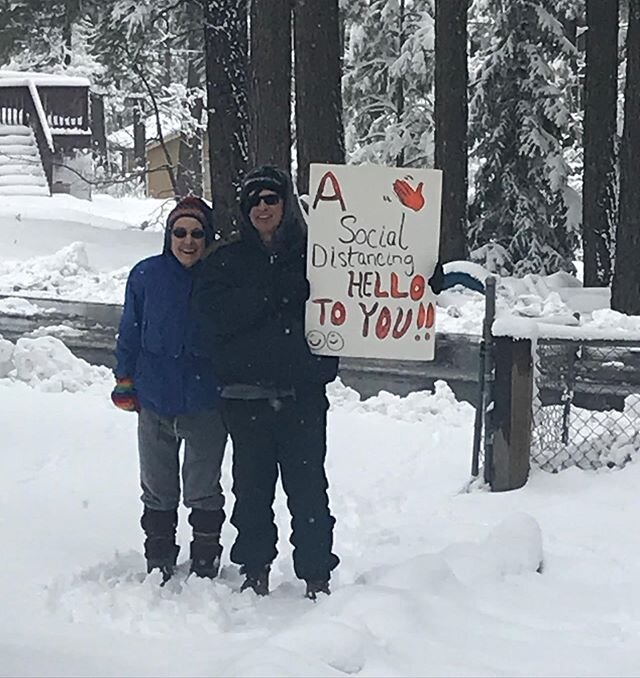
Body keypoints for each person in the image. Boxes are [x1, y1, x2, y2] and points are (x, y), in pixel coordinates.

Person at [192, 166, 340, 600]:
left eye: (271, 198)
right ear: (244, 208)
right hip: (246, 397)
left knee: (309, 489)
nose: (263, 207)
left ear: (285, 204)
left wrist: (416, 279)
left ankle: (317, 573)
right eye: (254, 200)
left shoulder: (320, 256)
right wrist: (274, 293)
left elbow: (369, 284)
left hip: (303, 395)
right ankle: (254, 567)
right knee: (252, 491)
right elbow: (215, 317)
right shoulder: (226, 260)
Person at [111, 195, 227, 584]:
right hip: (154, 397)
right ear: (169, 235)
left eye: (197, 233)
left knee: (202, 486)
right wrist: (124, 380)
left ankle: (205, 558)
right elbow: (130, 331)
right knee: (158, 487)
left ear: (208, 237)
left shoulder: (219, 276)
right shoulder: (146, 276)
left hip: (205, 401)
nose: (188, 241)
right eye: (180, 232)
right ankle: (159, 555)